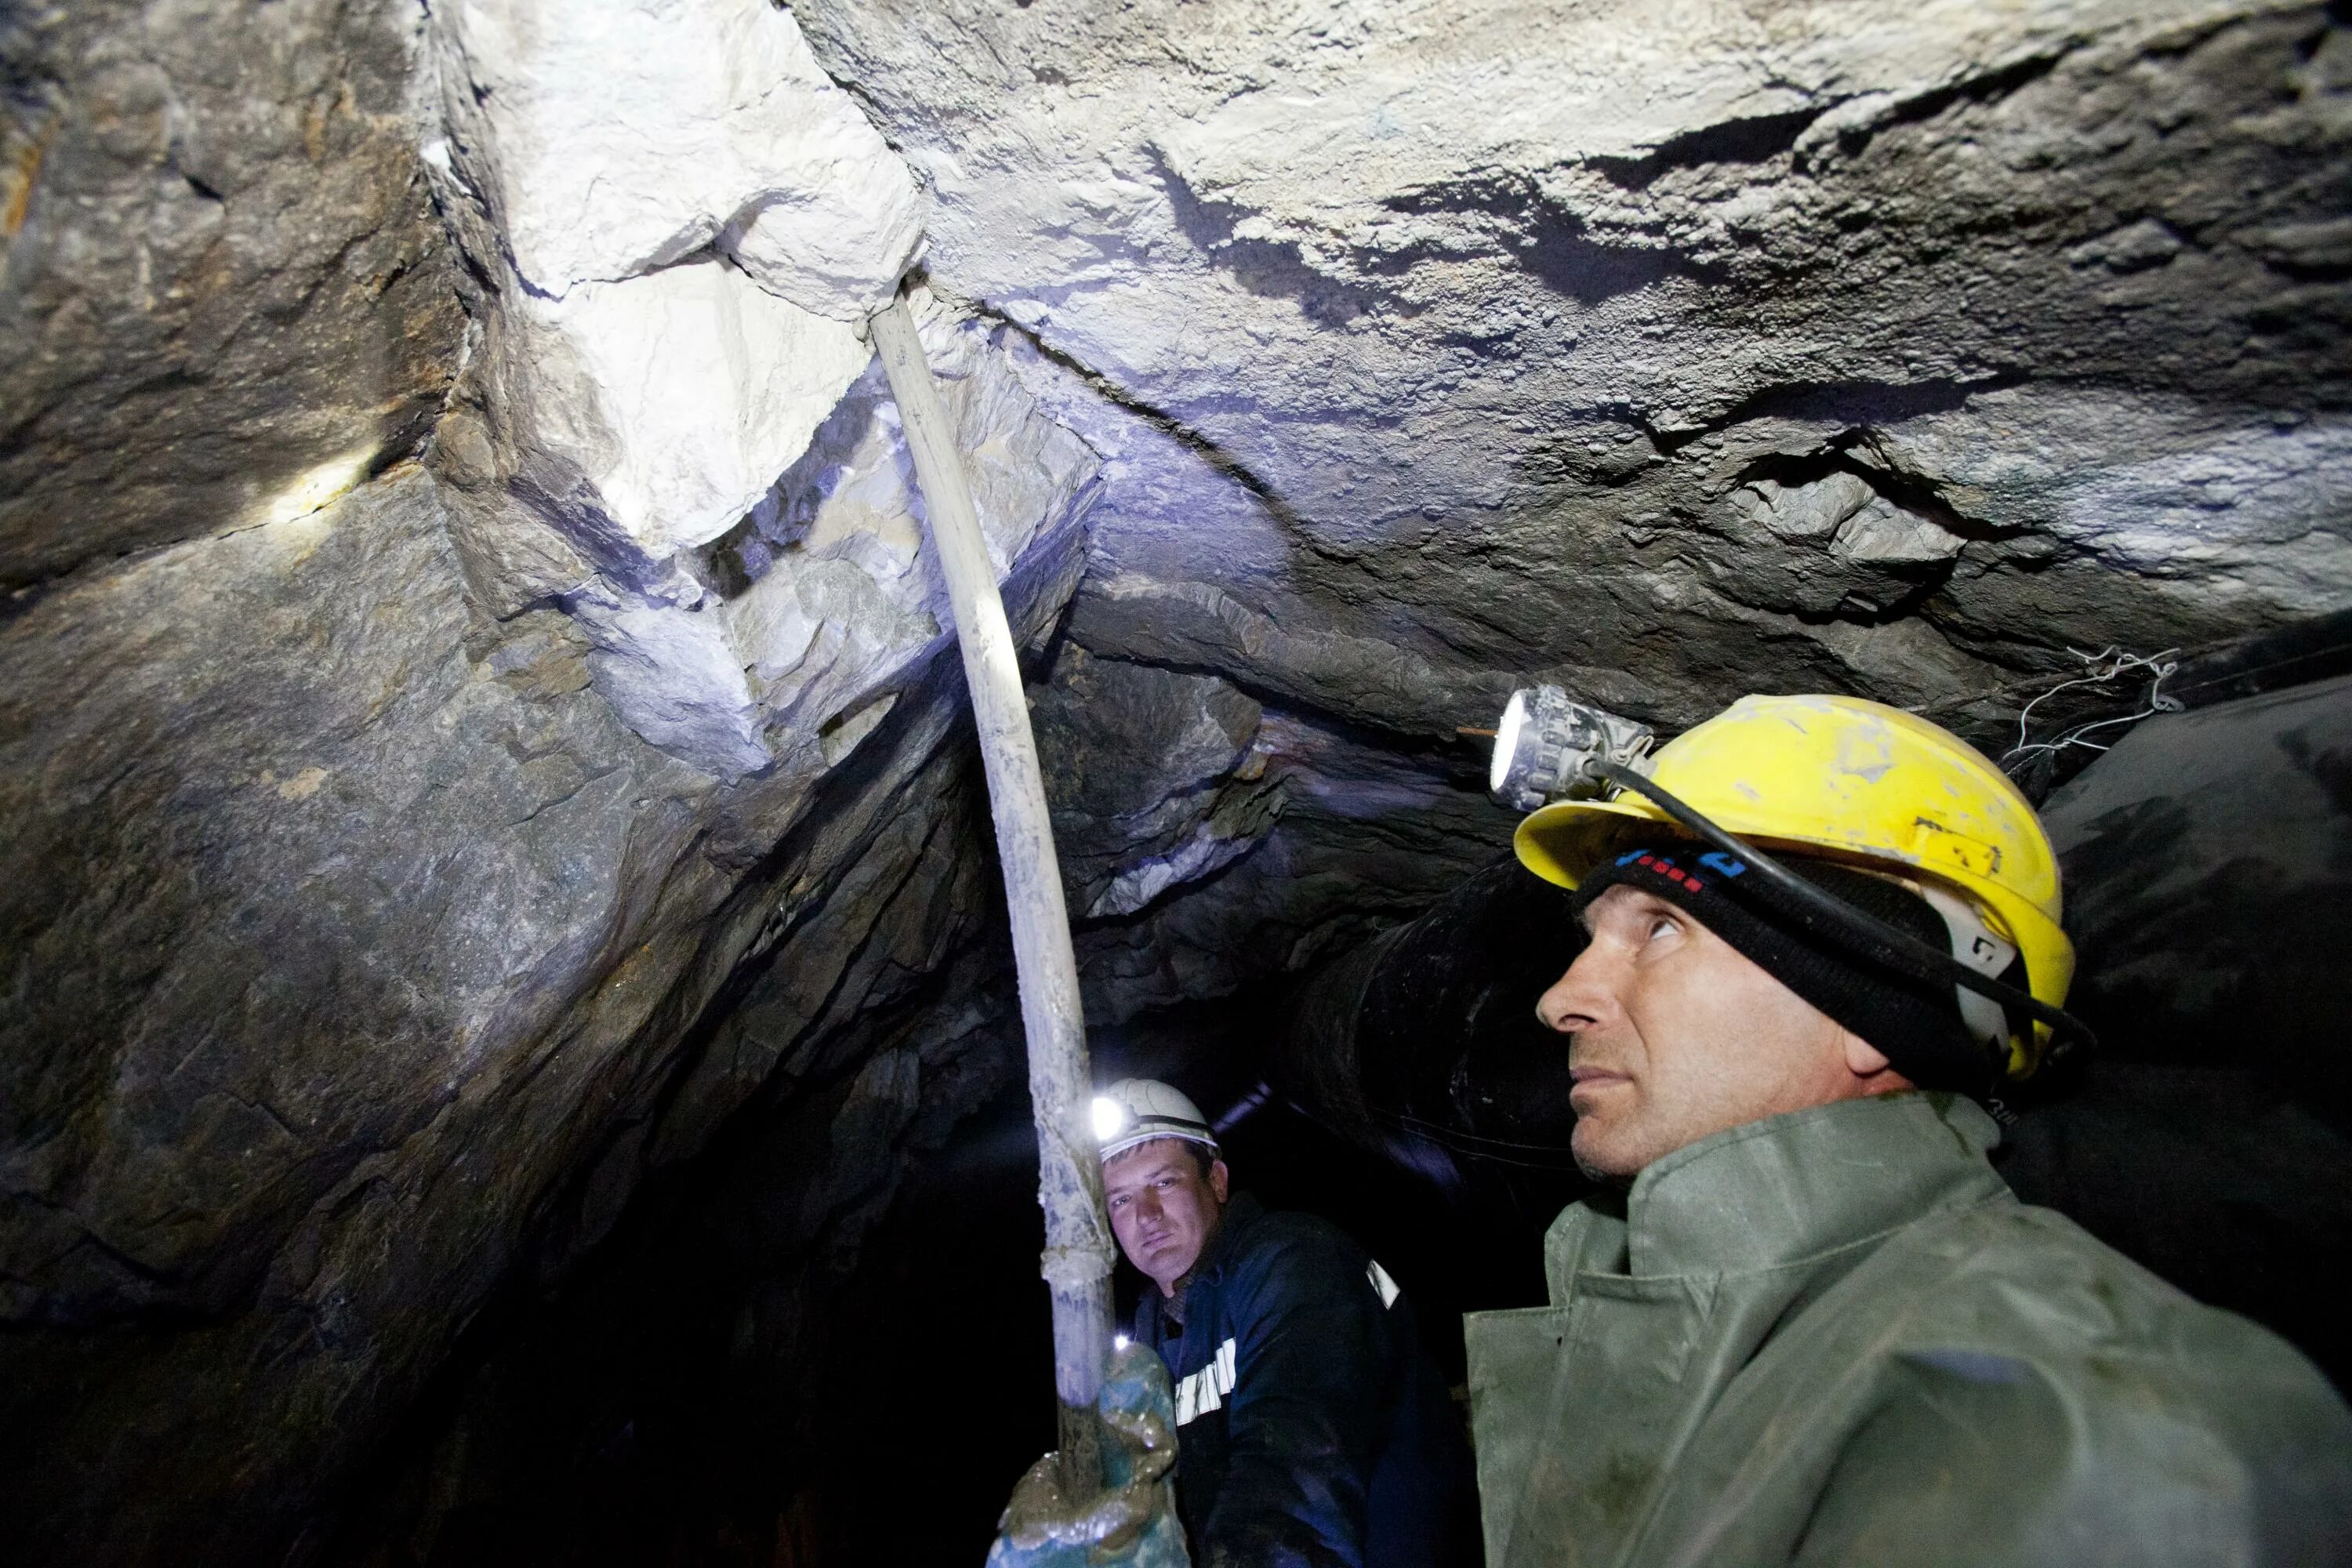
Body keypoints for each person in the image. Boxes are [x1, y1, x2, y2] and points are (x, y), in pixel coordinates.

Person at [1465, 691, 2352, 1566]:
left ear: (1869, 996)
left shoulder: (2090, 1424)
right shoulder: (1704, 1316)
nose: (1559, 999)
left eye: (1661, 927)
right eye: (1588, 938)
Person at [1093, 1079, 1475, 1568]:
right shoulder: (1151, 1333)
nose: (1145, 1215)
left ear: (1217, 1181)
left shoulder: (1296, 1262)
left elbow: (1296, 1464)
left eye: (1164, 1182)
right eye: (1121, 1200)